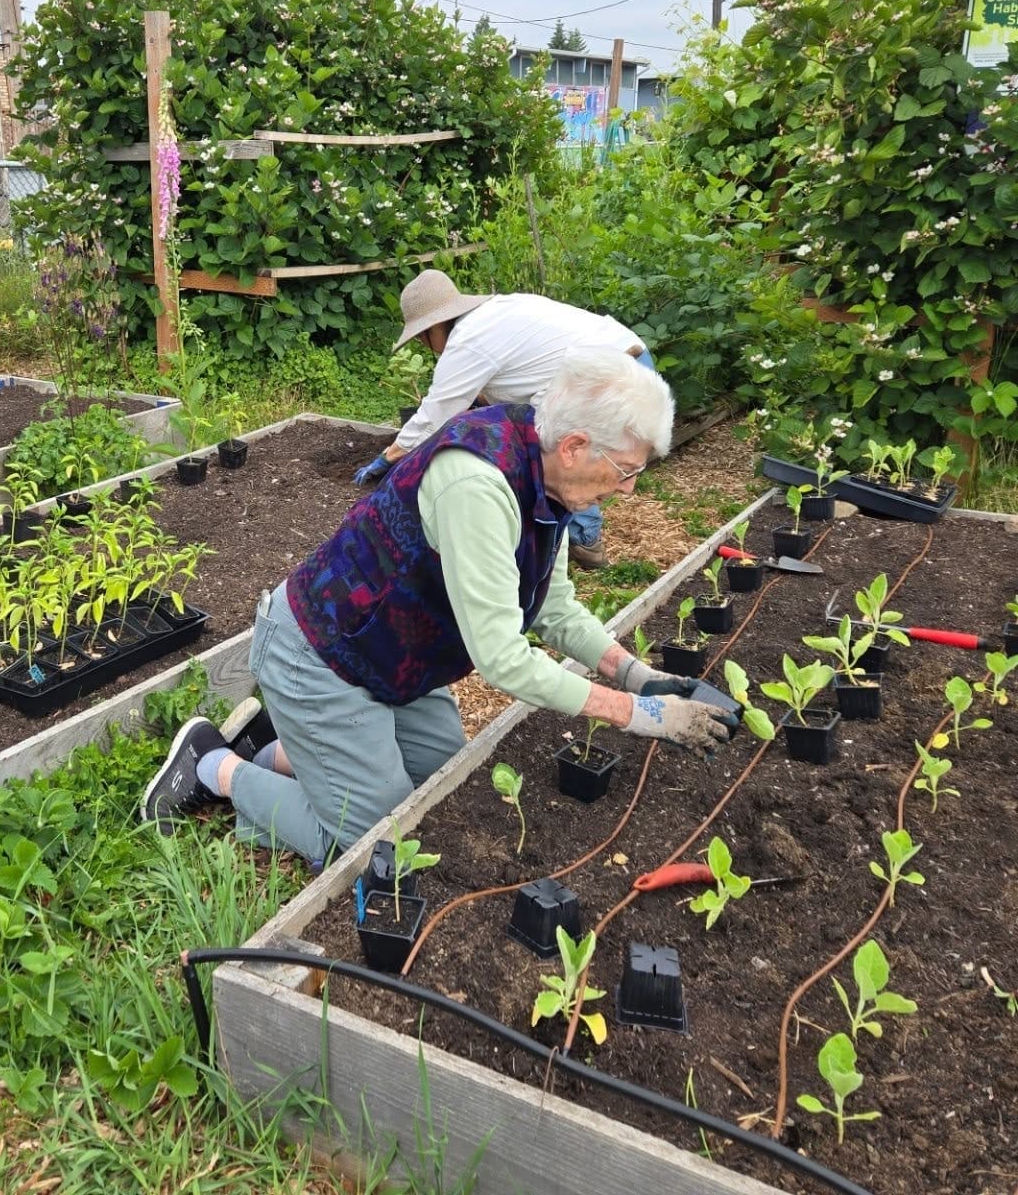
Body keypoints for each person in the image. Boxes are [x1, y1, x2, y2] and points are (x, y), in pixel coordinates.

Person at [143, 347, 735, 859]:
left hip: (400, 660)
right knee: (380, 844)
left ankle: (285, 748)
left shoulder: (550, 478)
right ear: (576, 445)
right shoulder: (478, 484)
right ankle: (213, 766)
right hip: (324, 657)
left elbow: (552, 607)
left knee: (445, 787)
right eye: (626, 469)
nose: (630, 486)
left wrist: (637, 676)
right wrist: (636, 713)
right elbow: (503, 658)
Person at [354, 269, 652, 570]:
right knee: (563, 448)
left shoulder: (468, 341)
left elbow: (435, 415)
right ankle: (566, 538)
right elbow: (518, 379)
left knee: (561, 454)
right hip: (630, 358)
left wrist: (391, 456)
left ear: (434, 327)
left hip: (609, 377)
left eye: (421, 337)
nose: (423, 345)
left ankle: (582, 541)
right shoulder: (495, 313)